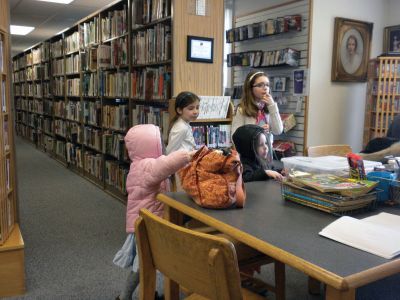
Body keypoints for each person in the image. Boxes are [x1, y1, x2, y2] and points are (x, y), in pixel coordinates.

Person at [113, 124, 194, 300]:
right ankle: (124, 296)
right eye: (159, 142)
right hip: (146, 224)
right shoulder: (147, 166)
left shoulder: (138, 165)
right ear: (148, 145)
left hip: (145, 221)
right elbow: (163, 166)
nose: (163, 145)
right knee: (143, 264)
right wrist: (186, 155)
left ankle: (148, 292)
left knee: (147, 262)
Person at [231, 70, 283, 146]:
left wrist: (272, 106)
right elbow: (235, 137)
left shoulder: (269, 107)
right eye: (260, 85)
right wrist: (256, 132)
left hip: (267, 153)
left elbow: (278, 131)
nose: (265, 88)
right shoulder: (241, 109)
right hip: (250, 154)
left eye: (267, 85)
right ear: (250, 89)